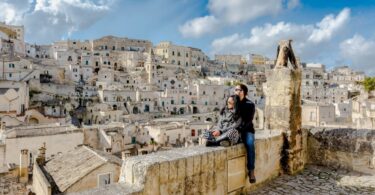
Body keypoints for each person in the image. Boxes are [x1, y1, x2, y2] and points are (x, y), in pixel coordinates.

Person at [234, 83, 256, 184]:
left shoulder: (250, 104)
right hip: (234, 129)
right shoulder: (233, 102)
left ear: (244, 92)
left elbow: (248, 121)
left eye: (239, 90)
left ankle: (251, 170)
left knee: (250, 144)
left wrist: (240, 130)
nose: (237, 91)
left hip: (247, 130)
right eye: (236, 90)